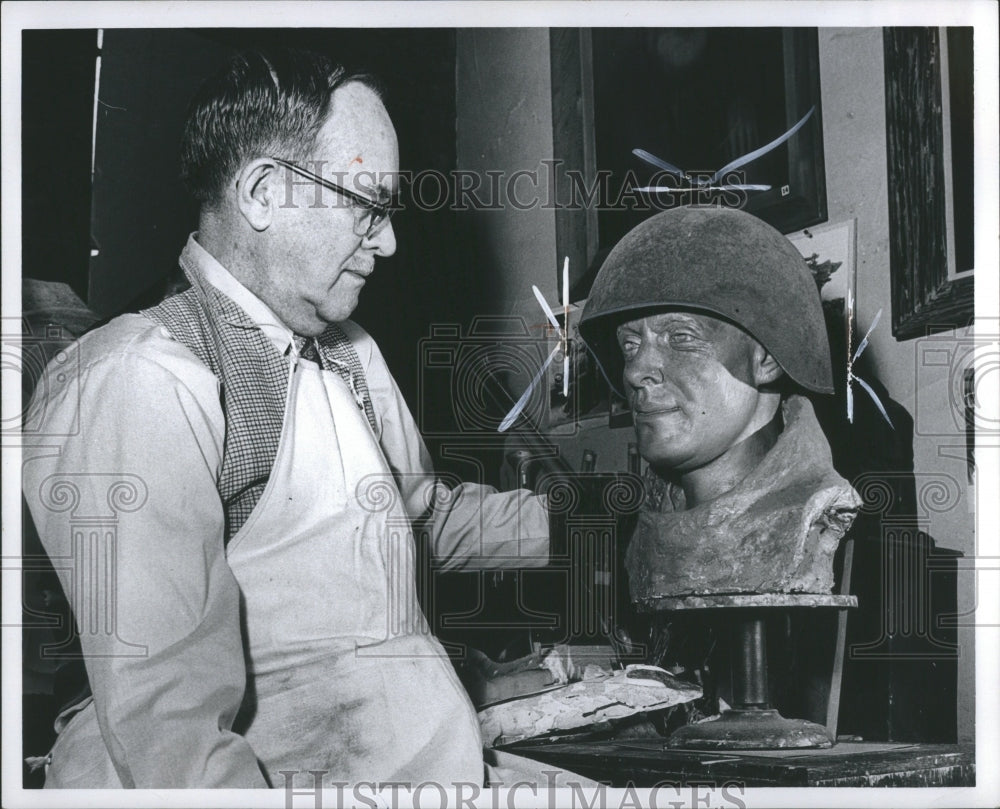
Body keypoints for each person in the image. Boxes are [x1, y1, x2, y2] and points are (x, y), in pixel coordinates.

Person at [22, 49, 551, 789]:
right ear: (265, 193)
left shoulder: (348, 354)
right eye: (367, 205)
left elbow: (417, 519)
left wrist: (592, 523)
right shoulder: (139, 379)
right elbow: (174, 737)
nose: (389, 241)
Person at [578, 205, 860, 601]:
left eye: (681, 338)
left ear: (766, 360)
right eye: (630, 344)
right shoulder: (641, 523)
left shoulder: (817, 521)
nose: (635, 370)